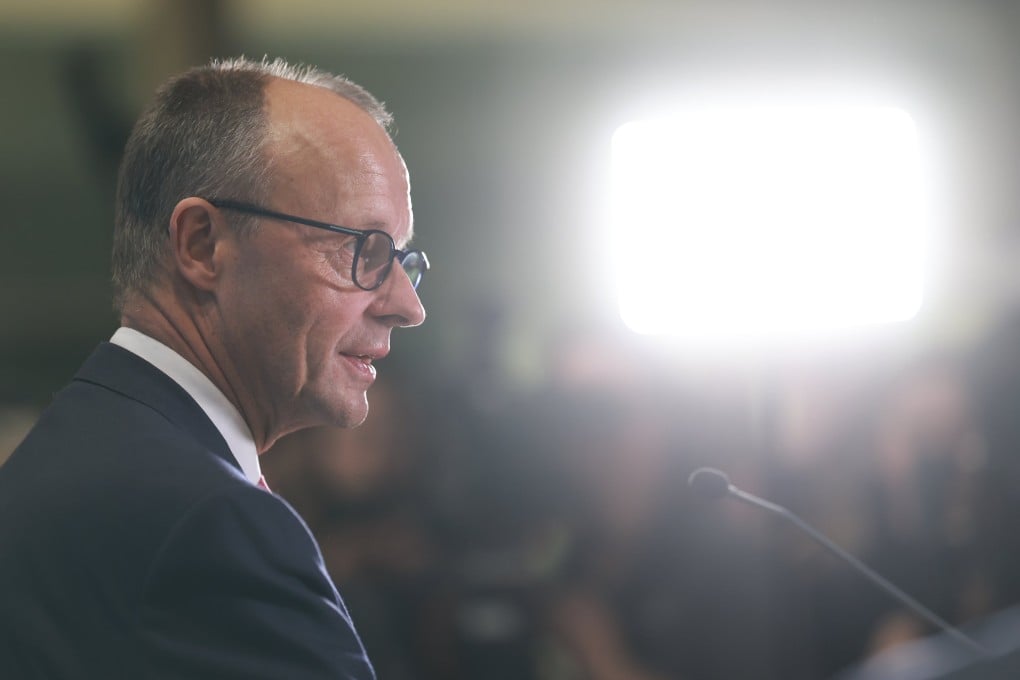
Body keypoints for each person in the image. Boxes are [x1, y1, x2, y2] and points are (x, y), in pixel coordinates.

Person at [0, 56, 428, 679]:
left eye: (402, 258)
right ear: (202, 244)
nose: (407, 306)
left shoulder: (82, 452)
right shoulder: (209, 524)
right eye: (361, 249)